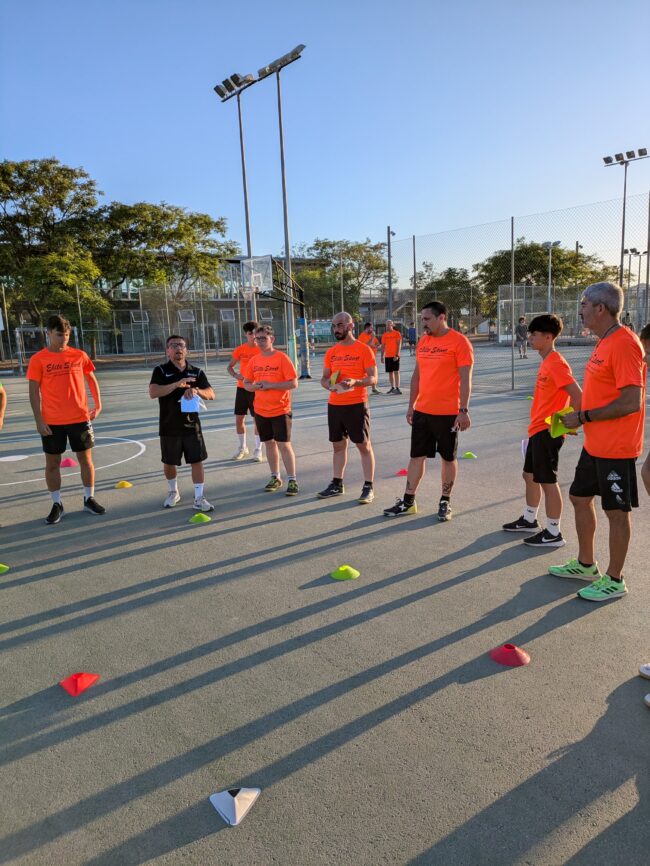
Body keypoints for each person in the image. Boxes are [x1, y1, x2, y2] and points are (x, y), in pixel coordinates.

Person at [548, 282, 645, 602]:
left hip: (617, 447)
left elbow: (632, 401)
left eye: (585, 304)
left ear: (601, 308)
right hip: (595, 444)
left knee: (617, 512)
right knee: (578, 496)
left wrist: (585, 416)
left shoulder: (625, 344)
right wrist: (577, 418)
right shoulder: (604, 342)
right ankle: (587, 564)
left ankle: (615, 579)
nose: (581, 309)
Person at [383, 301, 473, 522]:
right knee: (416, 457)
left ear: (441, 317)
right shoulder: (424, 341)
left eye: (427, 319)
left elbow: (465, 379)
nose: (423, 323)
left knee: (448, 458)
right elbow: (417, 376)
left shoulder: (460, 342)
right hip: (423, 410)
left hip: (448, 412)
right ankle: (408, 501)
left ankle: (445, 501)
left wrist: (463, 410)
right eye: (422, 318)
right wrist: (411, 405)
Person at [502, 314, 582, 548]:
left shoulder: (556, 363)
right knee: (529, 476)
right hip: (537, 430)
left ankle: (554, 532)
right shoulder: (546, 361)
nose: (530, 337)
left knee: (548, 481)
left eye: (534, 335)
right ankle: (529, 518)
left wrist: (567, 425)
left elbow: (578, 396)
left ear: (548, 337)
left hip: (547, 432)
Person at [27, 314, 105, 525]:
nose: (63, 339)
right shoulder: (38, 359)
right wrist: (39, 420)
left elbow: (91, 378)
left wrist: (97, 404)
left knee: (85, 460)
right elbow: (33, 391)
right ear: (49, 333)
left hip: (79, 417)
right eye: (59, 335)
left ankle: (89, 498)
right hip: (52, 421)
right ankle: (57, 503)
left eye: (67, 335)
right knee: (52, 463)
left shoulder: (79, 355)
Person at [149, 335, 215, 512]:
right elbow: (153, 392)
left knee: (197, 461)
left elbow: (211, 393)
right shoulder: (161, 371)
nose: (178, 348)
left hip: (192, 426)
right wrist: (177, 384)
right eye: (173, 345)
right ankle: (173, 492)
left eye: (181, 345)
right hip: (169, 425)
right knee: (169, 462)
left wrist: (196, 390)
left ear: (187, 350)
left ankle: (199, 498)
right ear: (167, 351)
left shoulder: (197, 372)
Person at [318, 312, 377, 504]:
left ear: (351, 326)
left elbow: (373, 378)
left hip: (357, 405)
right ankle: (337, 483)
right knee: (337, 446)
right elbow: (325, 378)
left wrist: (355, 382)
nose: (337, 329)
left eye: (341, 325)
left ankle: (368, 487)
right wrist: (328, 385)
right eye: (334, 326)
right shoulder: (331, 352)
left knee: (363, 446)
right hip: (335, 405)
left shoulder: (364, 350)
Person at [243, 325, 299, 495]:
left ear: (272, 339)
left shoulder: (281, 358)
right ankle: (275, 477)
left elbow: (293, 383)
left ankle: (292, 480)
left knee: (283, 444)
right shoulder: (254, 360)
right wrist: (254, 387)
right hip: (260, 410)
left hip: (280, 409)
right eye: (257, 338)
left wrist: (271, 386)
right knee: (269, 443)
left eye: (263, 338)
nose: (259, 341)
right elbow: (246, 383)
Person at [226, 321, 264, 462]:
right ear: (245, 334)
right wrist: (236, 375)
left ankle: (258, 449)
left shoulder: (262, 349)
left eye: (255, 333)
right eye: (250, 334)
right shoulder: (240, 349)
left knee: (257, 420)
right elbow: (230, 366)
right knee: (239, 419)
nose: (253, 336)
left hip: (255, 390)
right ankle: (243, 448)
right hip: (242, 388)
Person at [358, 322, 381, 394]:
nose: (372, 329)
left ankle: (374, 388)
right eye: (371, 328)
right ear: (367, 328)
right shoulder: (362, 336)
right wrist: (372, 338)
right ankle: (361, 389)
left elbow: (377, 343)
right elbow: (366, 346)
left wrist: (376, 346)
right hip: (364, 358)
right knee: (365, 374)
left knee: (373, 373)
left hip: (372, 357)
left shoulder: (371, 335)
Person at [380, 320, 402, 394]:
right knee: (390, 372)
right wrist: (382, 356)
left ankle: (397, 388)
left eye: (389, 325)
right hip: (387, 356)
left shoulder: (397, 333)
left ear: (393, 325)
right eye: (386, 325)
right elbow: (383, 346)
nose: (388, 326)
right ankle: (392, 387)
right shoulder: (384, 335)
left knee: (396, 371)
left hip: (395, 355)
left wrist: (397, 355)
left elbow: (399, 345)